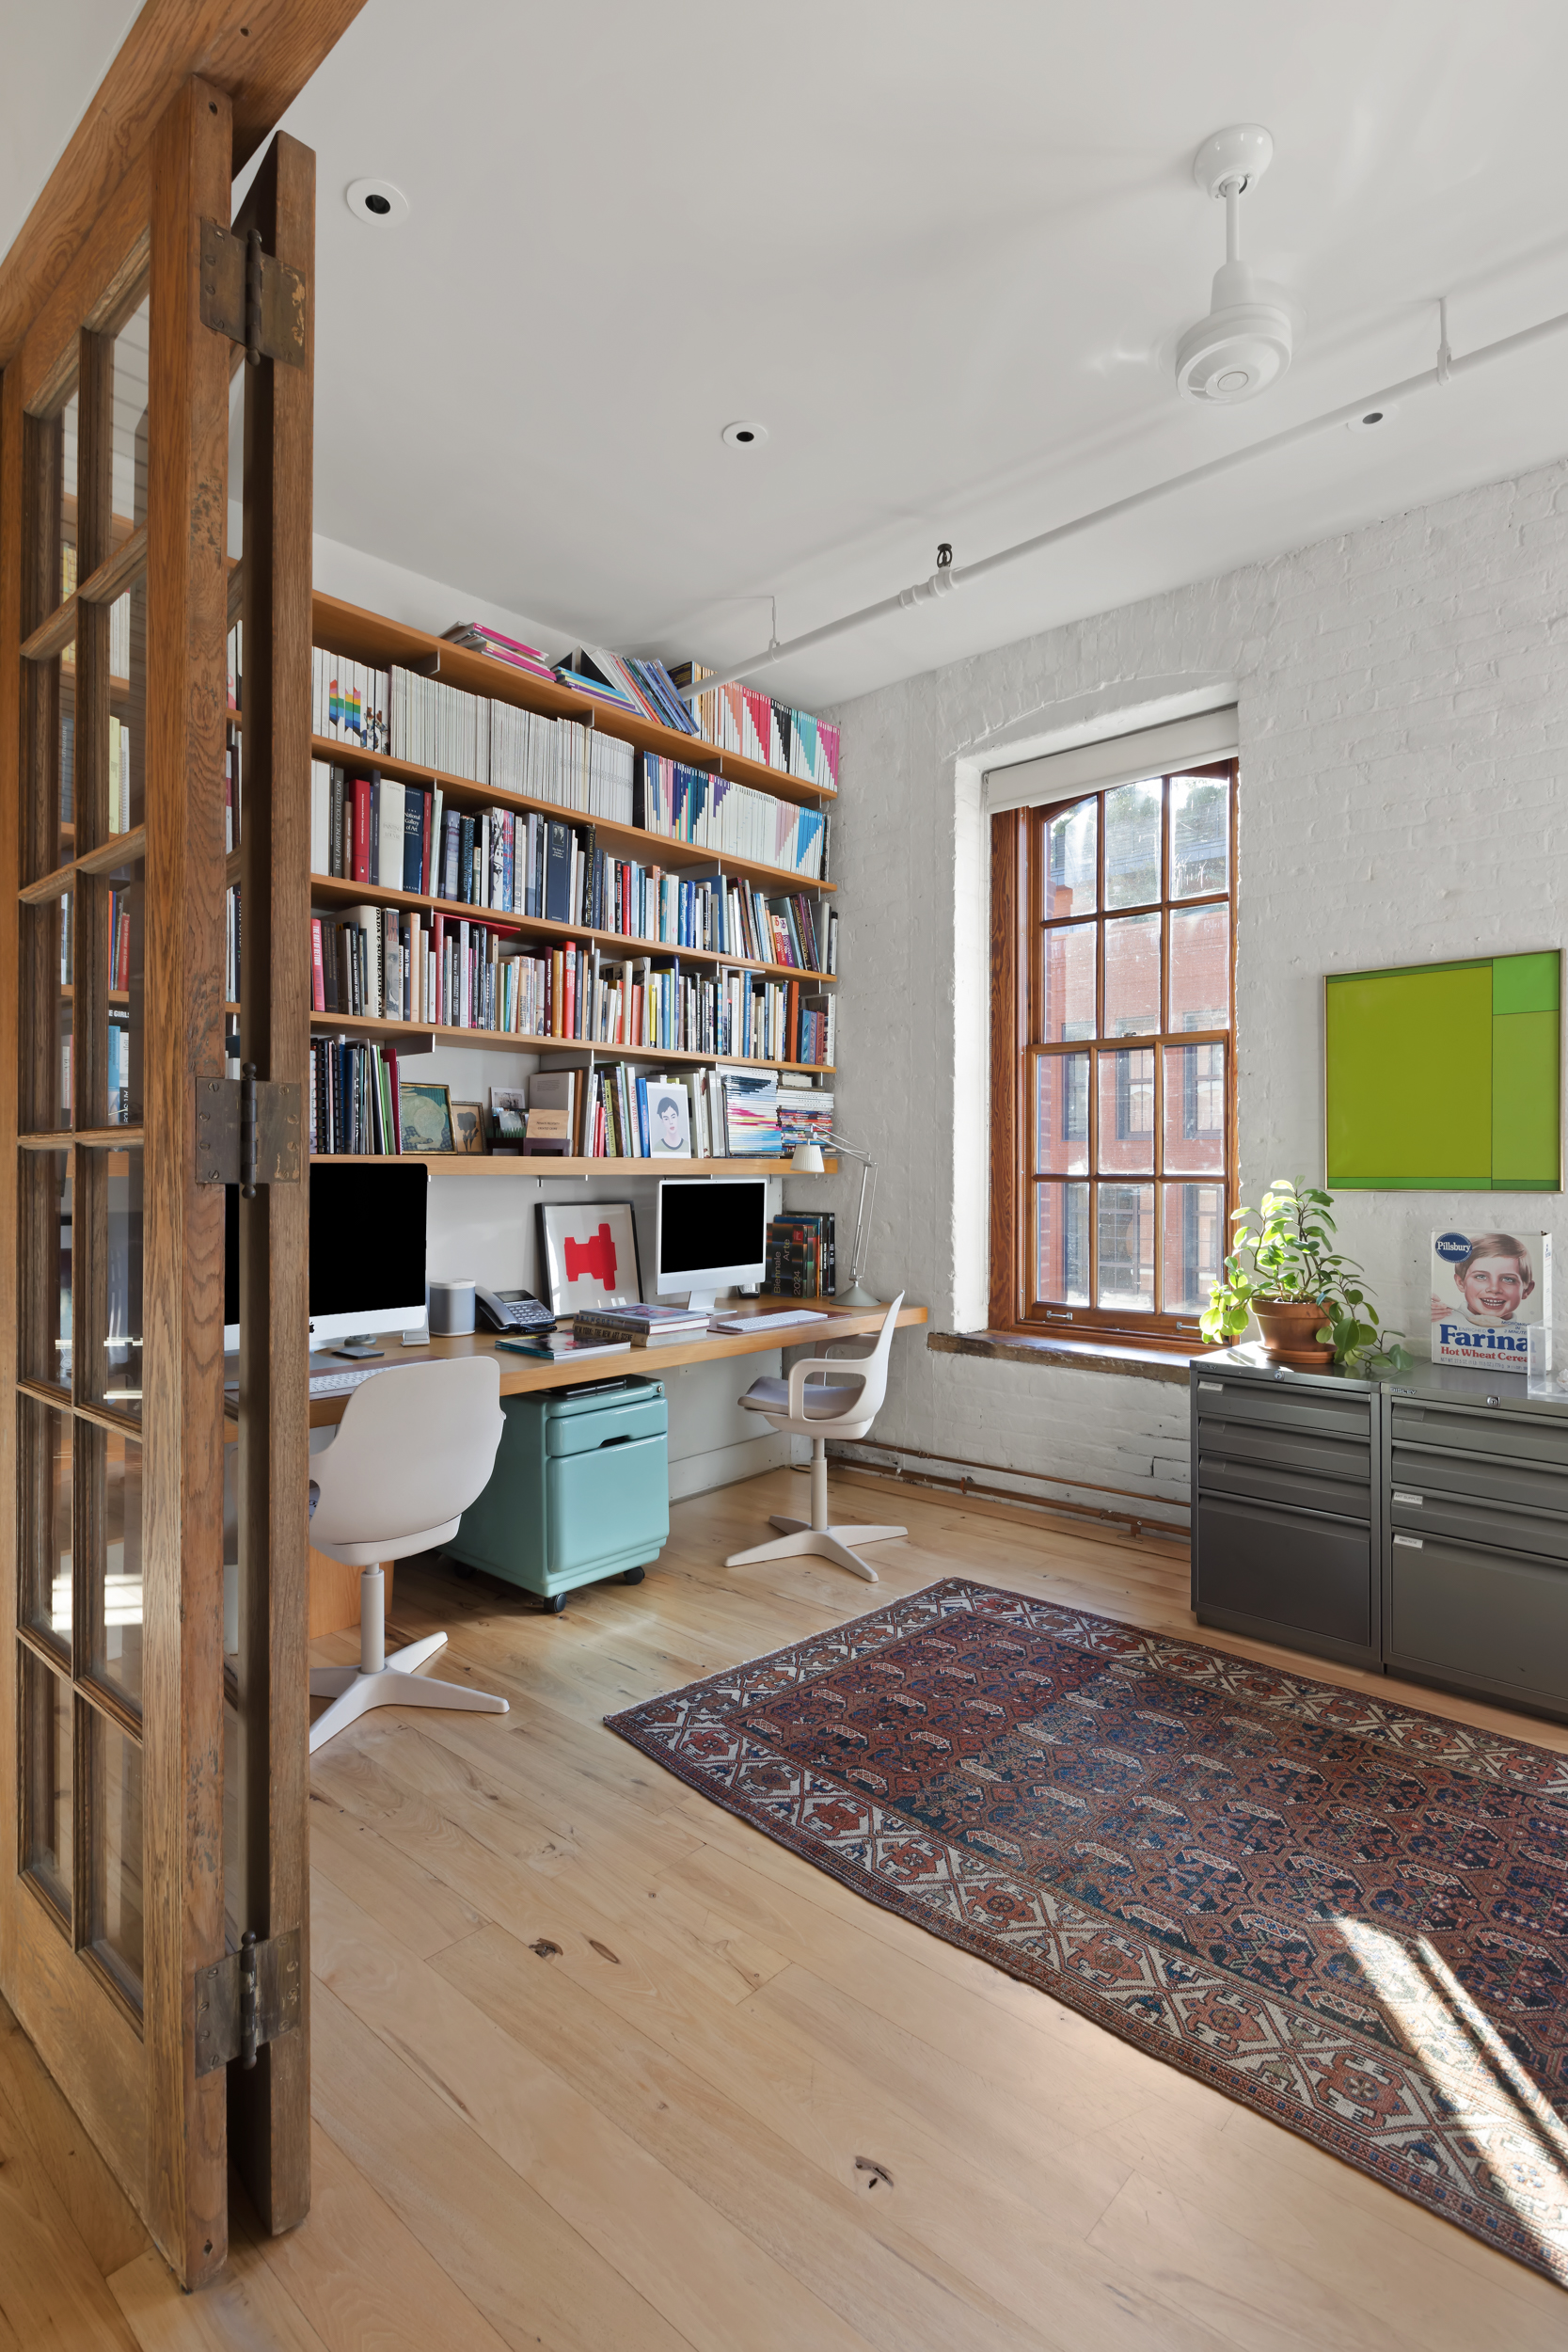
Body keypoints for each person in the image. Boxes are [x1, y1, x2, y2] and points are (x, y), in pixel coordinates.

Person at [1431, 1233, 1535, 1327]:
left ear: (1526, 1290)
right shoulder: (1438, 1322)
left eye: (1508, 1279)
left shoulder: (1527, 1338)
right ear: (1460, 1283)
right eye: (1481, 1277)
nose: (1494, 1288)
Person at [653, 1090, 687, 1154]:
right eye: (666, 1119)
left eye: (673, 1117)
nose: (671, 1122)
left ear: (677, 1116)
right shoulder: (657, 1148)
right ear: (662, 1120)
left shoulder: (687, 1146)